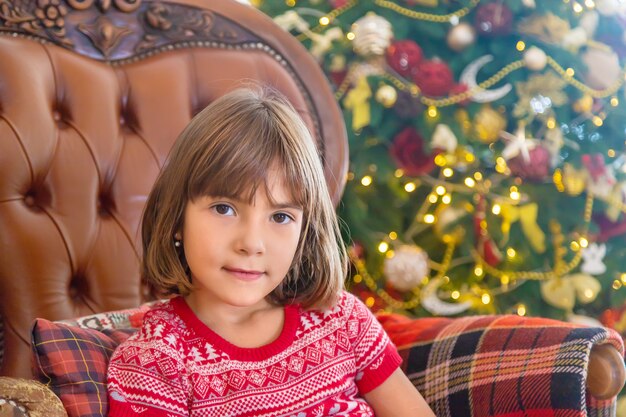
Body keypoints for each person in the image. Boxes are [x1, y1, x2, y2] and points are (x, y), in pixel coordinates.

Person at [107, 86, 435, 417]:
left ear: (304, 231)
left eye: (280, 217)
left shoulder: (341, 320)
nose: (252, 243)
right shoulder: (156, 361)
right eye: (224, 208)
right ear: (176, 216)